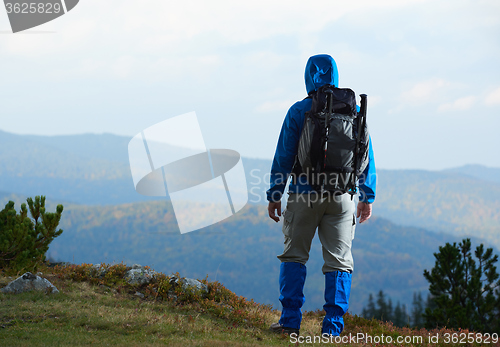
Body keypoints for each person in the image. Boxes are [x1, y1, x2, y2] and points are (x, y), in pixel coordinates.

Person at [266, 54, 376, 336]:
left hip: (305, 193)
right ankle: (333, 329)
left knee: (294, 256)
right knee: (339, 261)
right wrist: (367, 196)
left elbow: (284, 155)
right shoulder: (353, 111)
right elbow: (365, 156)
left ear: (307, 77)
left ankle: (290, 322)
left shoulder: (299, 110)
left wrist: (275, 193)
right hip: (343, 196)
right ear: (336, 76)